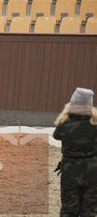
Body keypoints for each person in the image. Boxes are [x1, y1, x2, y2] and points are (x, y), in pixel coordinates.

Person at [53, 87, 97, 217]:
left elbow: (56, 136)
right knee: (89, 209)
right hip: (93, 171)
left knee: (68, 208)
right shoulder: (95, 124)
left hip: (69, 171)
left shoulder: (64, 123)